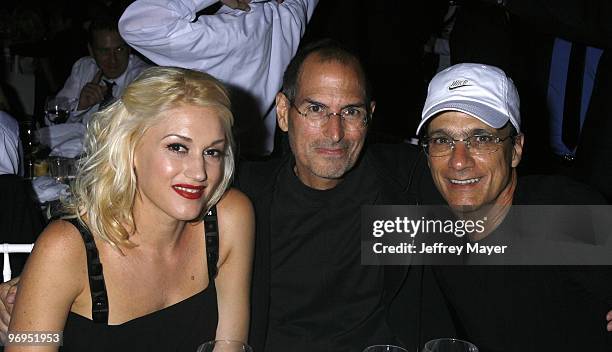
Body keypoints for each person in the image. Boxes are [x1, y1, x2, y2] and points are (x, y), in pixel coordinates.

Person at [5, 66, 254, 351]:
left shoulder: (229, 218)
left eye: (212, 152)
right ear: (130, 147)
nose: (199, 172)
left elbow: (230, 345)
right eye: (177, 148)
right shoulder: (66, 248)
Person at [416, 63, 612, 351]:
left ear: (516, 149)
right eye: (442, 140)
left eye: (481, 139)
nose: (458, 161)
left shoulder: (563, 211)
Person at [118, 0, 318, 156]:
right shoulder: (290, 15)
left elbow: (137, 26)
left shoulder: (230, 32)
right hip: (256, 160)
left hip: (210, 156)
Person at [53, 14, 149, 126]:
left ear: (129, 48)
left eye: (119, 49)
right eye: (104, 51)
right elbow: (52, 117)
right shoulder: (83, 67)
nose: (113, 60)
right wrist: (80, 107)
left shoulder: (145, 79)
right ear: (91, 51)